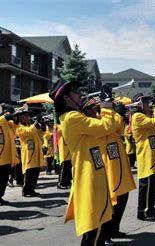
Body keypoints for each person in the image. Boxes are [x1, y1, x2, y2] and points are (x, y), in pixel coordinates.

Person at [51, 80, 117, 245]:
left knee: (99, 219)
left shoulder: (77, 115)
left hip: (94, 168)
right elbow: (107, 126)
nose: (80, 94)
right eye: (75, 91)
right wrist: (107, 105)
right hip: (89, 173)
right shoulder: (72, 117)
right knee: (95, 223)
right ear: (66, 98)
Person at [101, 102, 136, 241]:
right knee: (112, 202)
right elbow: (107, 126)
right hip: (109, 167)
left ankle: (114, 229)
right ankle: (105, 234)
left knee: (122, 199)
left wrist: (119, 115)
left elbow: (119, 129)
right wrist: (110, 110)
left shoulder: (109, 117)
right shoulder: (101, 117)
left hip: (119, 165)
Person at [130, 93, 155, 221]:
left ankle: (150, 208)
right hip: (146, 157)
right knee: (146, 185)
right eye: (144, 102)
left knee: (153, 185)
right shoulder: (137, 116)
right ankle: (142, 211)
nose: (147, 105)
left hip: (153, 156)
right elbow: (154, 122)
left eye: (147, 102)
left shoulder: (144, 115)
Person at [15, 105, 45, 197]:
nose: (28, 117)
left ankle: (32, 189)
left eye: (28, 116)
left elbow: (40, 133)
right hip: (28, 153)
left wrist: (42, 125)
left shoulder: (30, 125)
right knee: (29, 172)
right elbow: (27, 132)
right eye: (25, 116)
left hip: (36, 152)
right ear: (20, 117)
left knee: (35, 172)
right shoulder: (19, 127)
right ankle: (26, 190)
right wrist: (35, 124)